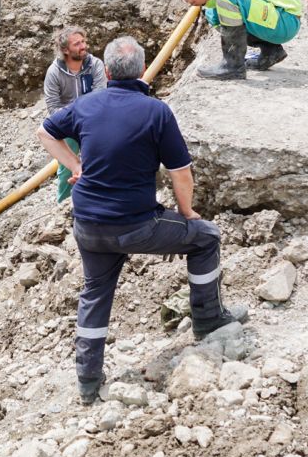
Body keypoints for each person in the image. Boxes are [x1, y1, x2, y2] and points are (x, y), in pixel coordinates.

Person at [36, 36, 244, 405]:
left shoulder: (86, 105)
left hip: (87, 225)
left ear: (109, 71)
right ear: (143, 71)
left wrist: (76, 167)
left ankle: (87, 380)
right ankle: (208, 318)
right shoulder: (156, 111)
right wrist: (187, 213)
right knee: (206, 237)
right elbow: (181, 172)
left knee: (95, 292)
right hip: (136, 227)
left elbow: (45, 131)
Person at [43, 27, 106, 203]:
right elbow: (53, 106)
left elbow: (100, 96)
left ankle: (96, 202)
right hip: (68, 125)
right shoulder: (54, 72)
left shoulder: (95, 65)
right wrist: (72, 122)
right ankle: (63, 206)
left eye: (83, 41)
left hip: (94, 123)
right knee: (66, 170)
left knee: (97, 163)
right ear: (65, 50)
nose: (83, 46)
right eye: (77, 44)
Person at [183, 0, 303, 79]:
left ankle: (232, 66)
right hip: (276, 19)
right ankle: (271, 50)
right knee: (213, 12)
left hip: (285, 19)